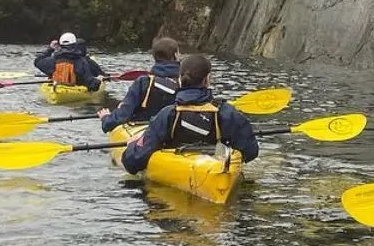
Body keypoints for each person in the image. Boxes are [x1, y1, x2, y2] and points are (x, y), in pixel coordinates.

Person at [119, 53, 259, 175]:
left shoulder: (167, 114)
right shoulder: (227, 113)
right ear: (208, 79)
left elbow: (132, 163)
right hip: (215, 166)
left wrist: (132, 146)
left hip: (178, 168)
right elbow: (251, 151)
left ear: (180, 79)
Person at [101, 36, 181, 130]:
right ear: (175, 55)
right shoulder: (185, 81)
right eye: (179, 52)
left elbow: (121, 116)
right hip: (174, 132)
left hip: (143, 131)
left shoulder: (144, 82)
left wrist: (106, 118)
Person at [34, 31, 106, 91]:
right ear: (75, 45)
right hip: (74, 89)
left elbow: (37, 61)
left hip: (57, 87)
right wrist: (99, 80)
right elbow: (92, 85)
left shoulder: (52, 60)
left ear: (60, 45)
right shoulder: (81, 62)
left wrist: (50, 49)